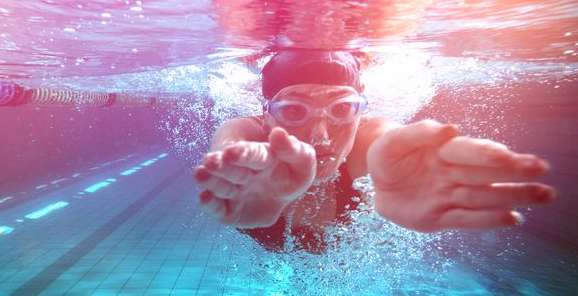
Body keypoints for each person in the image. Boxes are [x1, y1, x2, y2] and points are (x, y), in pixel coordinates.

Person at [193, 49, 557, 254]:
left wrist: (413, 167)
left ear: (360, 110)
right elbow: (228, 149)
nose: (320, 134)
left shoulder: (373, 137)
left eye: (341, 109)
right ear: (267, 113)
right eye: (293, 111)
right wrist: (232, 176)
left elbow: (387, 141)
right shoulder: (247, 133)